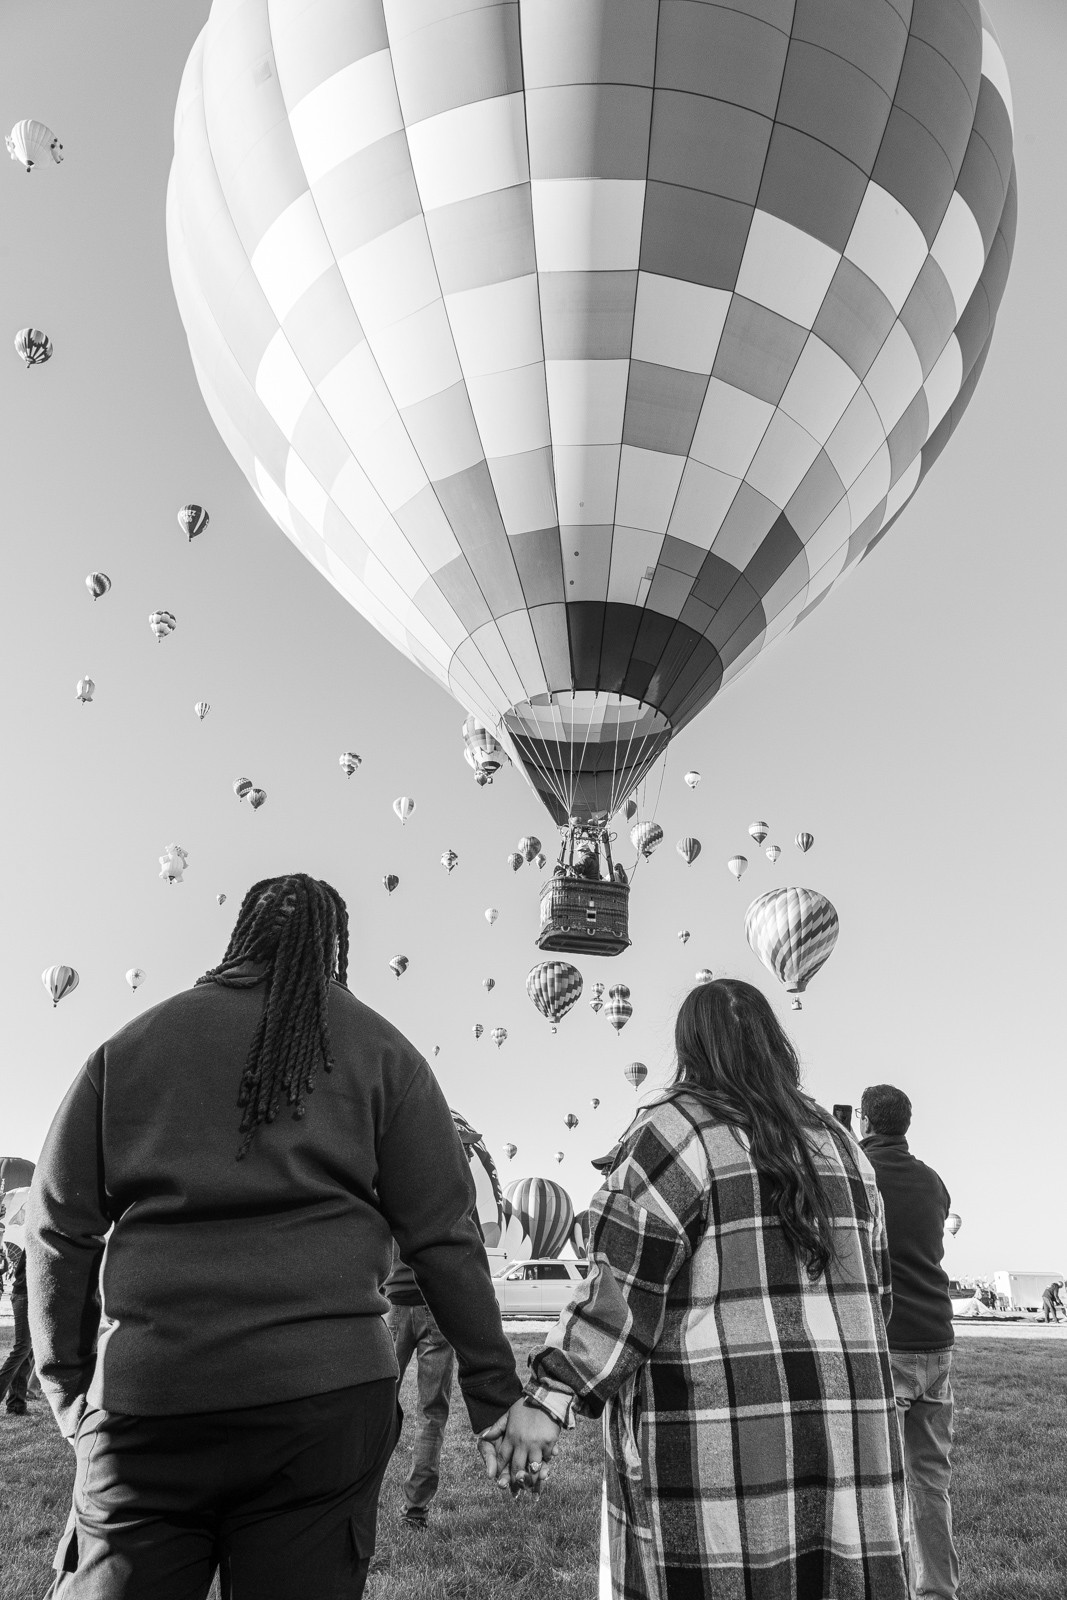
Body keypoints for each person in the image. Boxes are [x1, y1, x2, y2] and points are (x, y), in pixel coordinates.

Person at [26, 873, 535, 1599]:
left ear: (240, 934)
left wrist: (70, 1387)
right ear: (335, 947)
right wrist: (495, 1393)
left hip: (152, 1399)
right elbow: (446, 1237)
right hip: (325, 1404)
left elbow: (57, 1227)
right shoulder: (384, 1051)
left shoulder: (134, 1044)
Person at [484, 979, 908, 1598]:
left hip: (719, 1433)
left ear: (689, 1048)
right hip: (847, 1432)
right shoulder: (843, 1145)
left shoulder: (675, 1132)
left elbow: (621, 1294)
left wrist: (551, 1398)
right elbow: (879, 1295)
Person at [859, 1085, 957, 1600]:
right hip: (937, 1340)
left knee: (872, 1484)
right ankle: (938, 1591)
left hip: (889, 1342)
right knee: (929, 1482)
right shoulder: (932, 1180)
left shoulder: (857, 1174)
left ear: (865, 1120)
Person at [383, 1242, 456, 1528]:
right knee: (432, 1413)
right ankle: (415, 1511)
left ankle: (354, 1495)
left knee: (376, 1404)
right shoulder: (453, 1196)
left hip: (397, 1303)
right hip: (436, 1306)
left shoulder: (389, 1194)